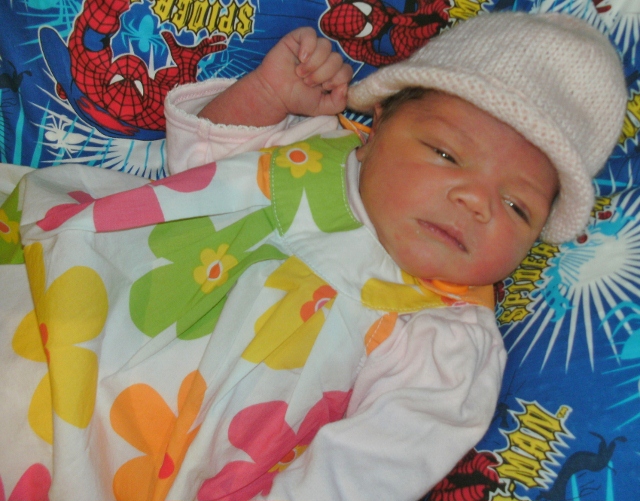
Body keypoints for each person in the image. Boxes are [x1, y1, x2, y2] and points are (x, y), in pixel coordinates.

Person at [0, 11, 626, 501]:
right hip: (67, 291)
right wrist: (267, 93)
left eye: (516, 206)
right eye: (444, 153)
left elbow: (360, 471)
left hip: (141, 449)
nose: (475, 201)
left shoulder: (445, 343)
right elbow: (198, 161)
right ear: (375, 126)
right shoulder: (308, 146)